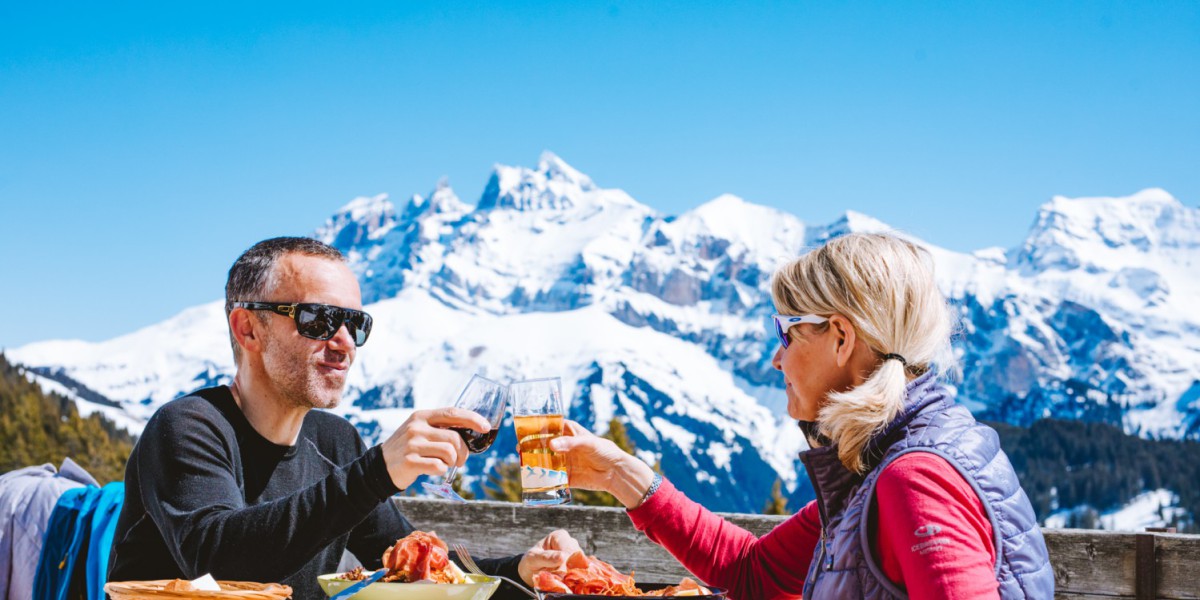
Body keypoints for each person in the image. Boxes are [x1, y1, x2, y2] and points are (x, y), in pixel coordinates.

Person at [551, 233, 1054, 599]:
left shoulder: (913, 480)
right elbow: (755, 572)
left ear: (840, 337)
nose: (777, 358)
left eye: (786, 332)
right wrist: (619, 474)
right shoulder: (881, 463)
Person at [108, 237, 579, 599]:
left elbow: (418, 570)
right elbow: (219, 566)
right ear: (248, 328)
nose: (344, 342)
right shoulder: (189, 427)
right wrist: (378, 471)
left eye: (355, 323)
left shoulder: (334, 442)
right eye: (318, 319)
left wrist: (522, 567)